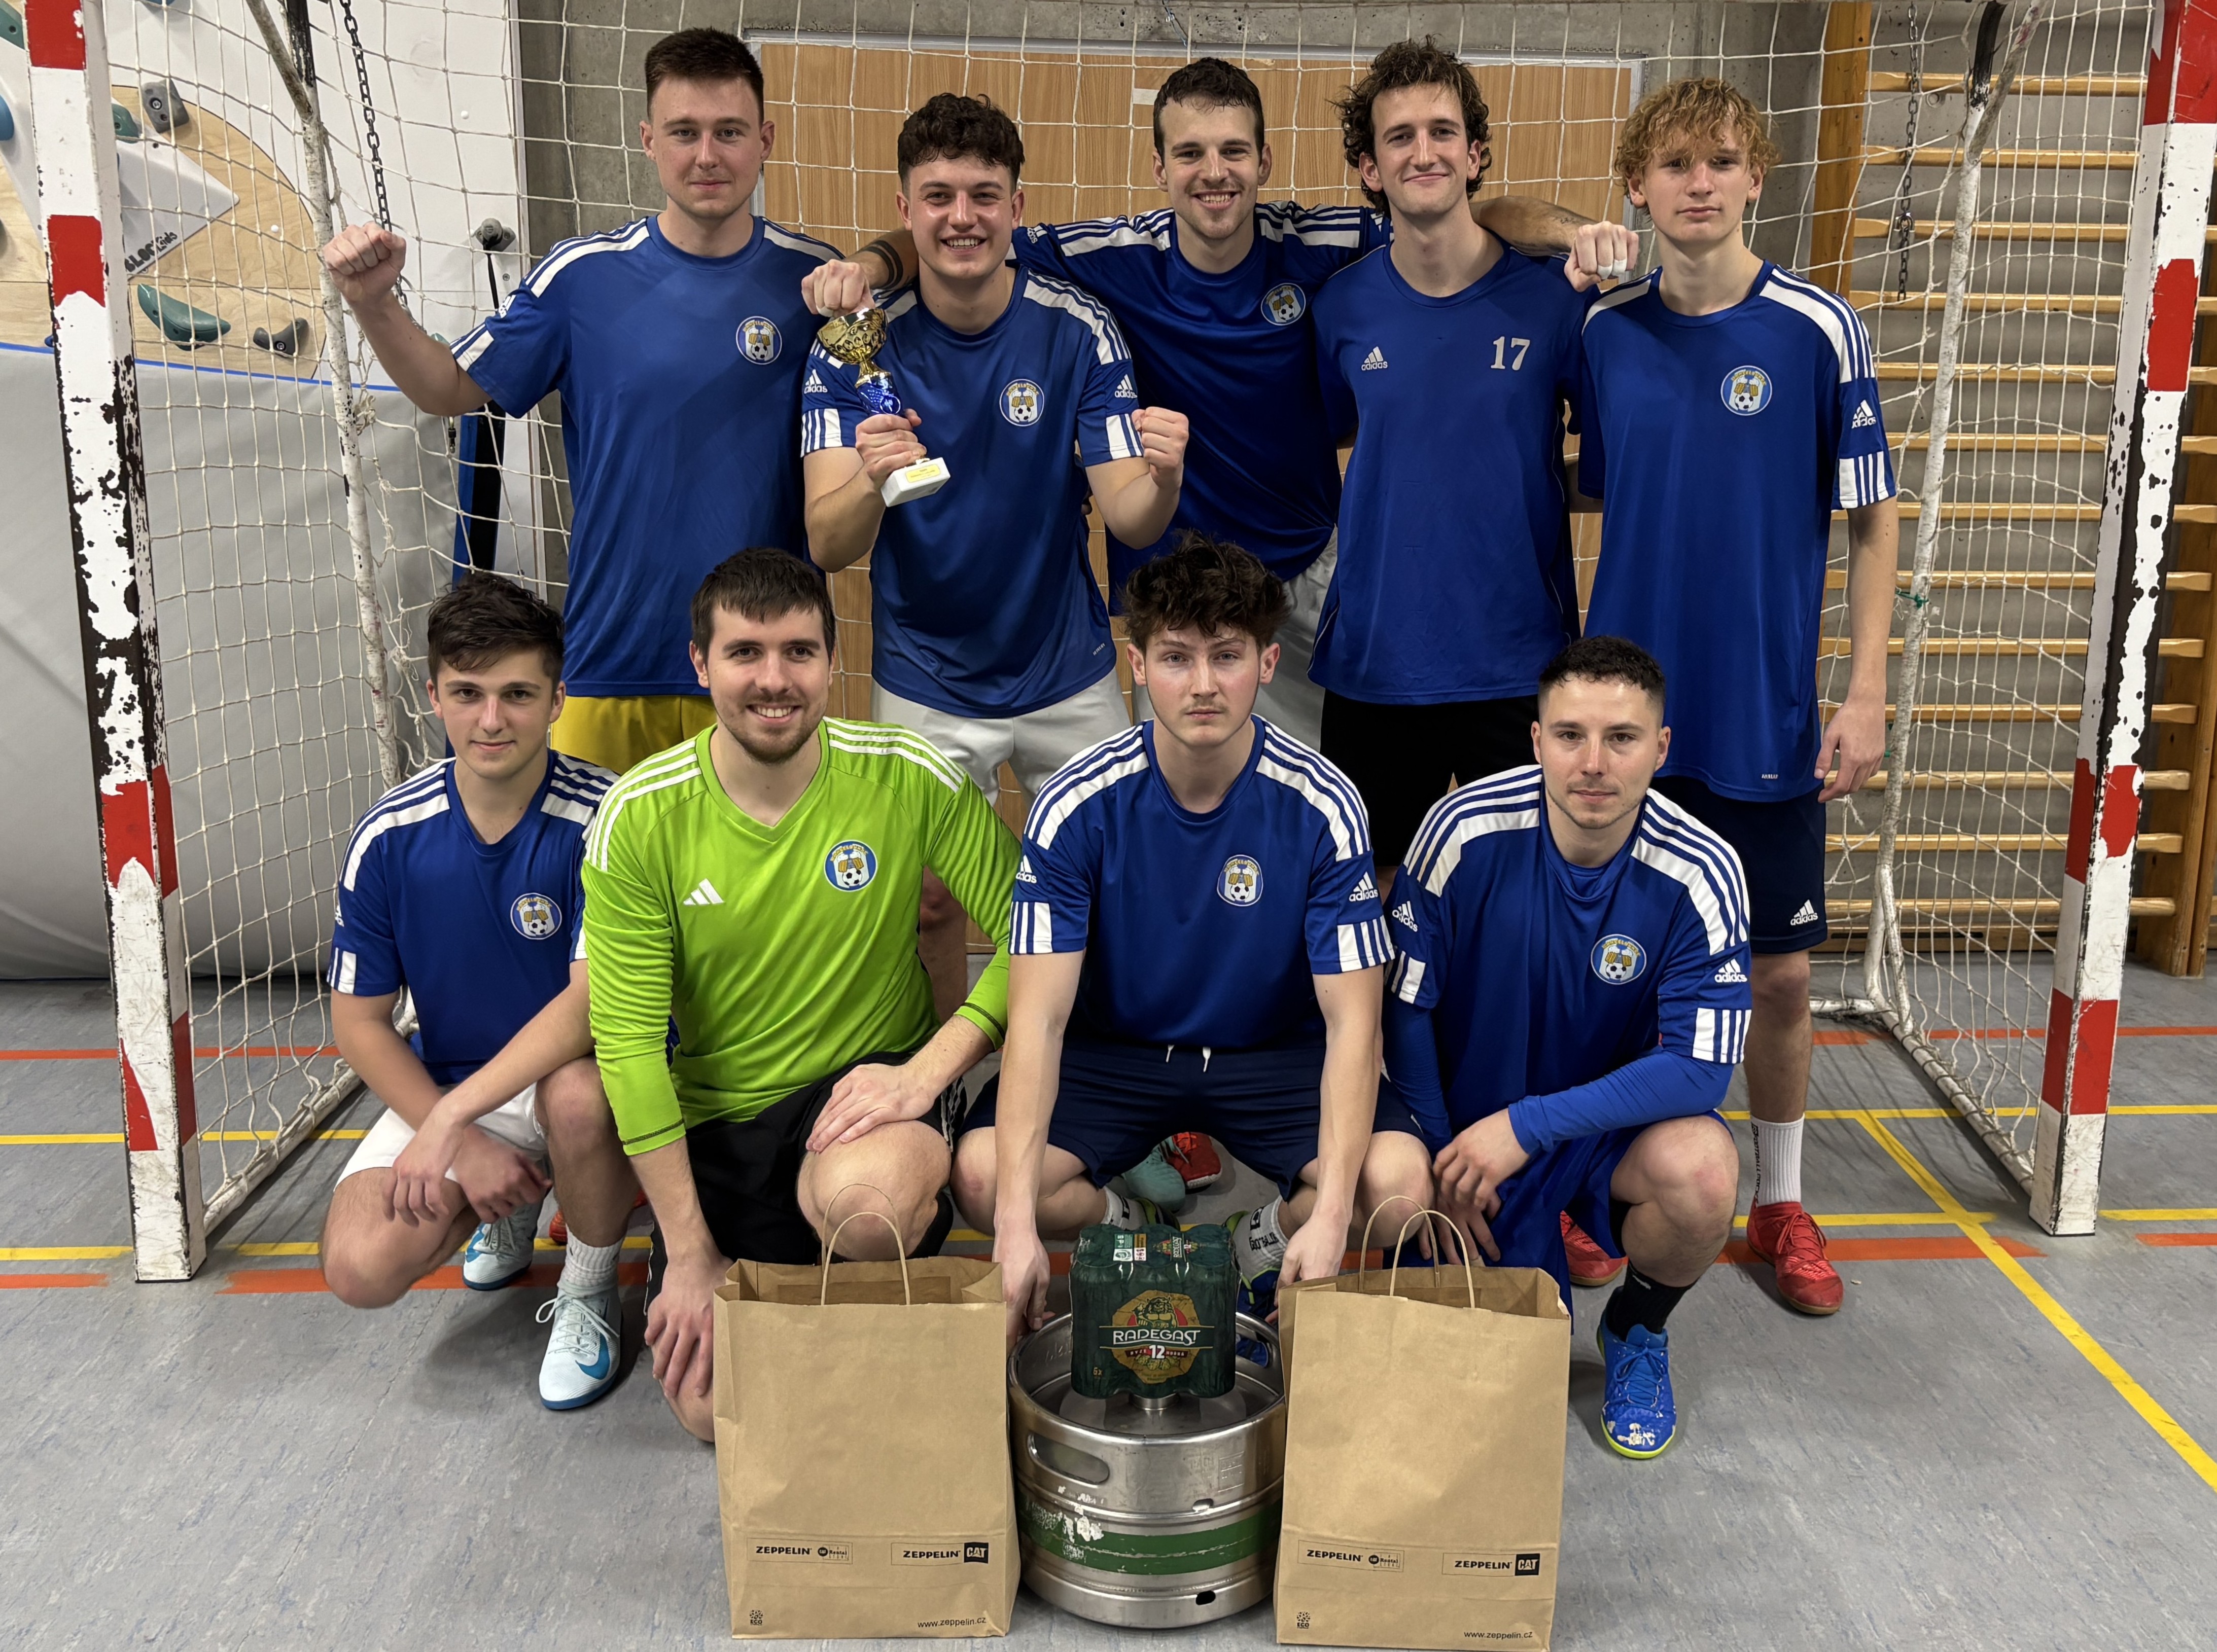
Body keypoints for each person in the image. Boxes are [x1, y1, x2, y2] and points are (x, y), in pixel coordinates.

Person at [804, 56, 1639, 747]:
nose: (1214, 172)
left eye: (1234, 150)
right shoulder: (1106, 259)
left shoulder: (1320, 244)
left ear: (1264, 163)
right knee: (1180, 812)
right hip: (1173, 587)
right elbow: (961, 235)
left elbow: (1466, 212)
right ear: (1159, 167)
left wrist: (1577, 234)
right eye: (1191, 152)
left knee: (1318, 809)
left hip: (1306, 575)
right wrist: (871, 267)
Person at [321, 28, 893, 777]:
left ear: (766, 141)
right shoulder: (581, 278)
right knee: (598, 859)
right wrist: (373, 302)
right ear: (649, 140)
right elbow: (446, 389)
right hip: (611, 662)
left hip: (764, 674)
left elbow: (927, 258)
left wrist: (877, 265)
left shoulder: (817, 282)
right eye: (684, 133)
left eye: (729, 132)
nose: (707, 155)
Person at [1572, 78, 1900, 1316]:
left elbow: (1870, 517)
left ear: (1756, 177)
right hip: (1628, 724)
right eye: (1672, 165)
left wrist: (1863, 691)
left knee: (1779, 981)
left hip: (1763, 711)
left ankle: (1778, 1200)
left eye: (1718, 160)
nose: (1697, 183)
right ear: (1636, 188)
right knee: (1610, 965)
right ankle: (1593, 1182)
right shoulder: (1602, 332)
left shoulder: (1817, 329)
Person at [580, 548, 1022, 1439]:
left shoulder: (905, 772)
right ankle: (836, 1317)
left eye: (799, 651)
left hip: (865, 1097)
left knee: (870, 1208)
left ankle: (866, 1298)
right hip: (722, 1121)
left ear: (833, 660)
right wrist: (689, 1253)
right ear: (701, 663)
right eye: (745, 653)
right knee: (712, 1414)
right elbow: (627, 1047)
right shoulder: (640, 816)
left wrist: (926, 1072)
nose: (774, 680)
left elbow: (1037, 940)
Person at [951, 536, 1393, 1341]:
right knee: (985, 1181)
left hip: (1271, 1052)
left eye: (1227, 656)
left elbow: (1353, 1024)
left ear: (1267, 662)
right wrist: (1015, 1229)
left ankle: (1258, 1242)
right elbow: (1039, 1022)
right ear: (1138, 664)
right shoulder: (1076, 805)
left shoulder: (1324, 804)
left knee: (1393, 1191)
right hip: (1118, 1051)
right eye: (1177, 657)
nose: (1202, 685)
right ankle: (1130, 1225)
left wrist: (1330, 1215)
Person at [1367, 636, 1747, 1459]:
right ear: (1537, 739)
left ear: (1662, 747)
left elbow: (1701, 1068)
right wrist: (1446, 1155)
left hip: (1591, 1131)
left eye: (1622, 737)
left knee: (1704, 1174)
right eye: (1571, 734)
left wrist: (1529, 1125)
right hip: (1458, 1117)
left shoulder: (1703, 871)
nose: (1594, 763)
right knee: (1393, 1192)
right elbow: (1405, 1009)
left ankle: (1637, 1329)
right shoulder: (1460, 831)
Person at [319, 573, 634, 1412]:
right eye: (467, 693)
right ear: (434, 696)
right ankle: (510, 1203)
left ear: (558, 699)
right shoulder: (389, 837)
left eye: (517, 694)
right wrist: (460, 1138)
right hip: (462, 1084)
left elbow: (590, 1008)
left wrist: (452, 1126)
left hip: (591, 1079)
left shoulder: (608, 819)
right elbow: (359, 1024)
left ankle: (589, 1285)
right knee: (359, 1264)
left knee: (575, 1098)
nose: (491, 719)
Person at [1310, 39, 1592, 880]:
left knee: (1525, 900)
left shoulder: (1555, 304)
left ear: (1474, 155)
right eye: (1399, 137)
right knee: (1371, 902)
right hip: (1377, 664)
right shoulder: (1340, 307)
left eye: (1443, 132)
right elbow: (1342, 439)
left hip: (1518, 661)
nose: (1423, 152)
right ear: (1370, 168)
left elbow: (1609, 466)